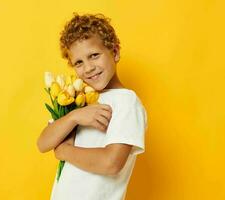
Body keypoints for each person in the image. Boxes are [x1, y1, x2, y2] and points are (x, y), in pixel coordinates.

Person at [37, 12, 148, 200]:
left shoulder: (126, 101)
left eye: (94, 55)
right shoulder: (78, 99)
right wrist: (74, 116)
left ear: (115, 51)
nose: (88, 68)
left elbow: (111, 163)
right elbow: (43, 143)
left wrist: (64, 151)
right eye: (79, 62)